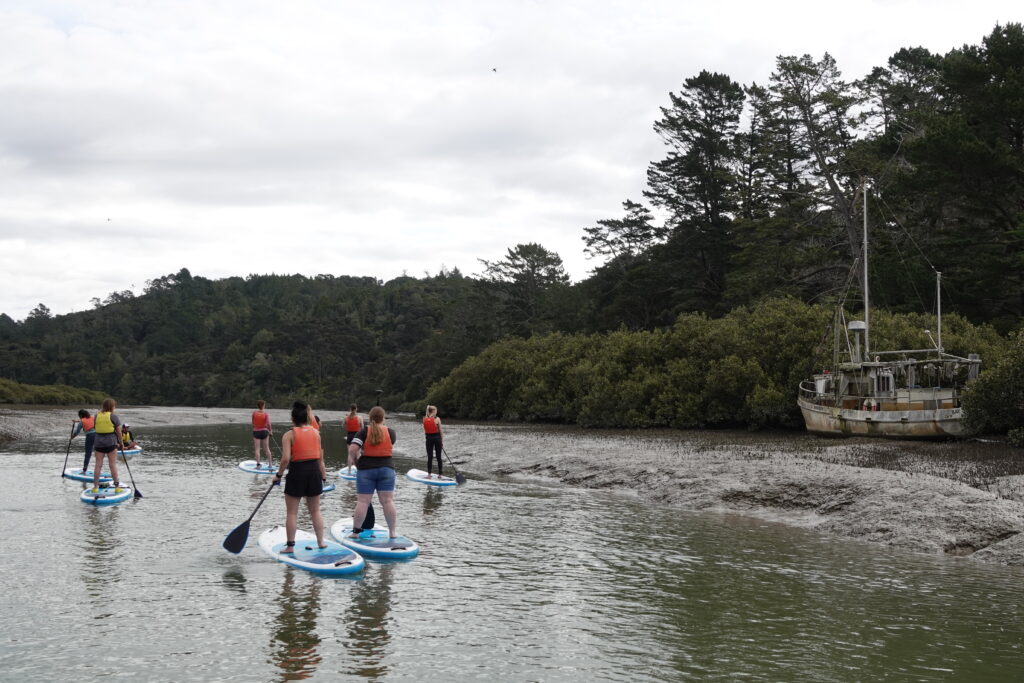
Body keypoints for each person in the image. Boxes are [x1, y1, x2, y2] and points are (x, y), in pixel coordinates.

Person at [273, 401, 329, 553]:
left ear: (293, 418)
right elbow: (319, 458)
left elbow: (285, 459)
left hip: (297, 472)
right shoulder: (316, 433)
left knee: (292, 512)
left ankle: (290, 546)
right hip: (314, 472)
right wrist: (322, 475)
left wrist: (278, 475)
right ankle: (321, 542)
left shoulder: (288, 435)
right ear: (307, 418)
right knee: (315, 511)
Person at [348, 406, 398, 538]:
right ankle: (392, 532)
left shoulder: (363, 432)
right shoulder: (391, 432)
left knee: (363, 502)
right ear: (383, 418)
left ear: (369, 418)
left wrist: (356, 461)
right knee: (388, 501)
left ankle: (355, 532)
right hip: (387, 470)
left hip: (366, 470)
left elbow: (352, 449)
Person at [91, 398, 123, 492]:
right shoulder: (113, 416)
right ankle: (117, 487)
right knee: (112, 465)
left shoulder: (96, 416)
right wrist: (121, 443)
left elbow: (95, 427)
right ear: (112, 407)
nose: (115, 407)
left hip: (98, 443)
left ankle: (95, 487)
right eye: (114, 406)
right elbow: (119, 432)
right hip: (111, 443)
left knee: (98, 465)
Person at [423, 405, 443, 479]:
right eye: (436, 410)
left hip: (429, 438)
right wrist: (442, 441)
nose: (436, 412)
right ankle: (440, 474)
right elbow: (440, 431)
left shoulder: (424, 419)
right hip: (437, 438)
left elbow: (427, 418)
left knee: (430, 457)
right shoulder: (437, 419)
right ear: (434, 411)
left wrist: (427, 411)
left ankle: (429, 474)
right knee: (438, 456)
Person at [252, 399, 273, 468]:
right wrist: (270, 432)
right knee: (267, 449)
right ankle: (270, 465)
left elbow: (253, 422)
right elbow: (269, 424)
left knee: (257, 449)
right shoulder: (265, 414)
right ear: (263, 406)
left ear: (257, 406)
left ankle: (258, 464)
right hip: (264, 432)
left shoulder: (254, 413)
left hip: (256, 432)